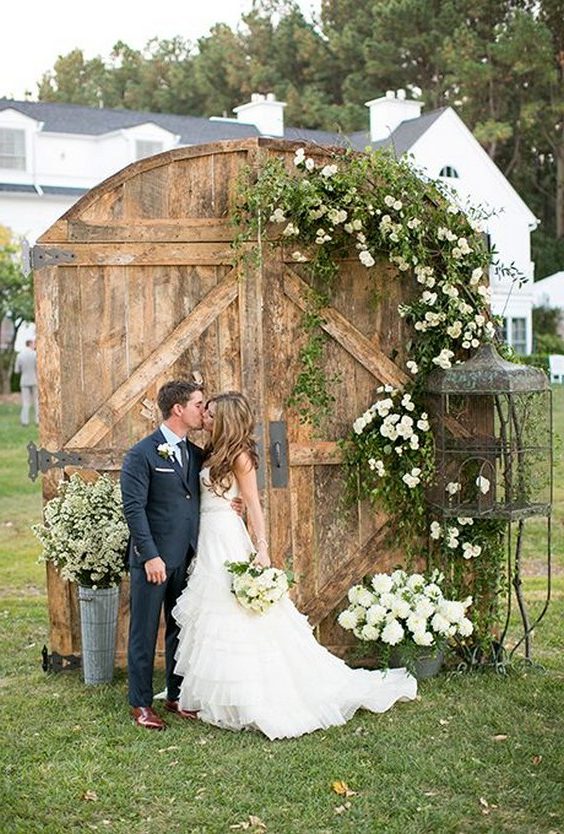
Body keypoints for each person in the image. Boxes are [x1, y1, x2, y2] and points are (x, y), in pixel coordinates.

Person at [172, 391, 417, 740]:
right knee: (213, 613)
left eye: (210, 414)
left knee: (237, 614)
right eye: (205, 412)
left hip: (227, 537)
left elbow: (254, 505)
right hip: (209, 535)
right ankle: (214, 695)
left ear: (225, 418)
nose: (205, 418)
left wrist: (262, 549)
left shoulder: (241, 457)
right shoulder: (211, 453)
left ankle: (249, 696)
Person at [120, 379, 207, 731]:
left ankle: (175, 695)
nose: (203, 411)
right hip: (152, 560)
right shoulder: (141, 454)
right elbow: (133, 508)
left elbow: (198, 496)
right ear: (178, 409)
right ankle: (140, 703)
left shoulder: (195, 453)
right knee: (143, 631)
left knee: (179, 629)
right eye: (199, 405)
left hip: (186, 557)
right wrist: (150, 556)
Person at [15, 339, 38, 426]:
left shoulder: (19, 355)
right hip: (34, 380)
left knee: (25, 402)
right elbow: (38, 368)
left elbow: (17, 370)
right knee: (36, 401)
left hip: (24, 380)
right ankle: (38, 421)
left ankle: (25, 421)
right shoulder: (35, 354)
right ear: (30, 344)